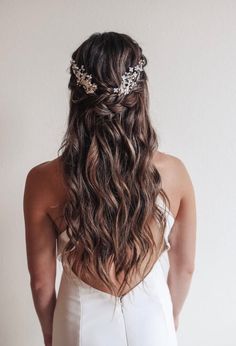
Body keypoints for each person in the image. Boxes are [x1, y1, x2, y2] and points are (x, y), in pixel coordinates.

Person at [23, 31, 196, 346]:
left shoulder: (42, 179)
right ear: (139, 96)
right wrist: (169, 319)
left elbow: (40, 284)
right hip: (152, 319)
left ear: (76, 97)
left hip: (79, 322)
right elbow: (184, 269)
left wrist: (50, 333)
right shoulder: (175, 173)